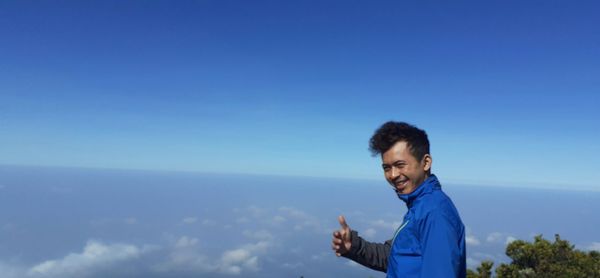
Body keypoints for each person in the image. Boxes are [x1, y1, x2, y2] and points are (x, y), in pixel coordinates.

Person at [332, 121, 466, 277]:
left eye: (400, 164)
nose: (393, 175)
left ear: (426, 162)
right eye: (386, 168)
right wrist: (354, 247)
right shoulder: (420, 206)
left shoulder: (434, 212)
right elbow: (398, 258)